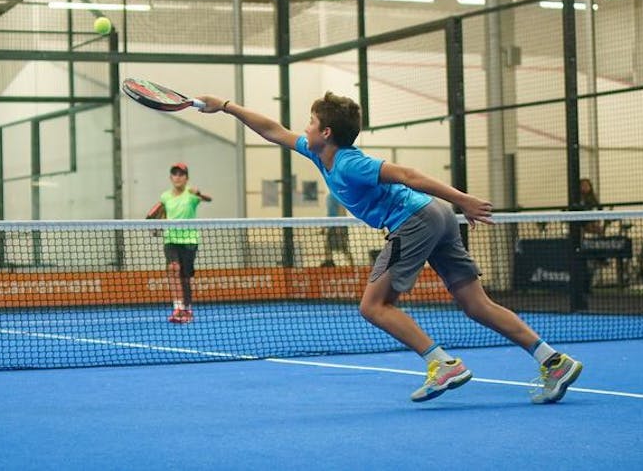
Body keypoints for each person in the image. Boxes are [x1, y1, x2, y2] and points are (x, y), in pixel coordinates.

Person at [195, 91, 582, 404]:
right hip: (437, 217)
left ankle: (441, 363)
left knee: (373, 305)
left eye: (311, 122)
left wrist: (462, 198)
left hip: (415, 219)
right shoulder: (318, 152)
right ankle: (552, 360)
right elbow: (272, 130)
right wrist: (226, 106)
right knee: (475, 303)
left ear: (326, 132)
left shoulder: (349, 164)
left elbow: (409, 175)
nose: (305, 127)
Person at [157, 162, 211, 323]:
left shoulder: (191, 194)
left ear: (186, 178)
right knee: (173, 269)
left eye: (181, 174)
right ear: (170, 177)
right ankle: (178, 307)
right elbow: (163, 214)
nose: (178, 177)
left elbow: (209, 199)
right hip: (171, 239)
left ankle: (187, 309)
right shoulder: (165, 196)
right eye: (175, 174)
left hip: (189, 240)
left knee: (185, 277)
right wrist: (156, 226)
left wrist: (199, 193)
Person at [324, 191, 353, 266]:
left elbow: (342, 210)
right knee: (327, 246)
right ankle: (329, 263)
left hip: (339, 226)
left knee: (344, 248)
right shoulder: (328, 196)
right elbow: (329, 213)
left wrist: (340, 226)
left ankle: (352, 266)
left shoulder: (337, 195)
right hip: (332, 225)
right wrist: (324, 227)